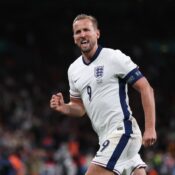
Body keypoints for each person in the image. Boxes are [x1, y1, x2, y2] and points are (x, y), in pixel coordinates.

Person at [50, 14, 157, 175]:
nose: (82, 34)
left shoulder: (113, 57)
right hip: (106, 138)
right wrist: (64, 108)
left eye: (87, 30)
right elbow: (79, 108)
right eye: (78, 32)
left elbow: (146, 88)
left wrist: (150, 128)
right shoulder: (73, 69)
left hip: (123, 132)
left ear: (97, 33)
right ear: (74, 38)